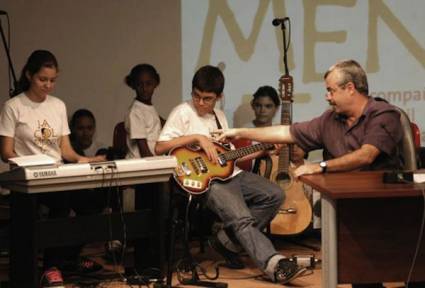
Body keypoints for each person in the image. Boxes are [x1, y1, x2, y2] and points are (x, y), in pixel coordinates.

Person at [215, 59, 424, 288]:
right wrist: (237, 132)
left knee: (410, 271)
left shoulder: (384, 114)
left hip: (388, 207)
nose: (327, 96)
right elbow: (286, 132)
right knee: (360, 273)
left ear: (350, 88)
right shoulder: (329, 119)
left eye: (331, 90)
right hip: (349, 206)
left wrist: (322, 167)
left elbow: (366, 155)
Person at [155, 65, 306, 284]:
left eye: (207, 99)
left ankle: (227, 239)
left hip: (230, 175)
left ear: (219, 97)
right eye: (196, 96)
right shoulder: (182, 112)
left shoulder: (220, 117)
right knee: (242, 218)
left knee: (275, 194)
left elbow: (226, 158)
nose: (200, 103)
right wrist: (196, 138)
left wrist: (262, 150)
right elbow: (159, 147)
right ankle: (274, 264)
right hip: (205, 182)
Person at [0, 50, 104, 288]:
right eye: (42, 79)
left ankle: (60, 261)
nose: (48, 85)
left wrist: (86, 160)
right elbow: (6, 152)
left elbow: (65, 150)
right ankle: (50, 267)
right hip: (29, 179)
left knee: (91, 205)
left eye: (52, 80)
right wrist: (30, 164)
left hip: (57, 175)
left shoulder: (58, 105)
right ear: (29, 75)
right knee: (60, 204)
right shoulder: (13, 106)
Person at [124, 63, 163, 158]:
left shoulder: (148, 108)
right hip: (140, 167)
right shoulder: (136, 112)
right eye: (139, 84)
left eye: (148, 84)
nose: (144, 89)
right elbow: (144, 153)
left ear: (156, 83)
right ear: (133, 85)